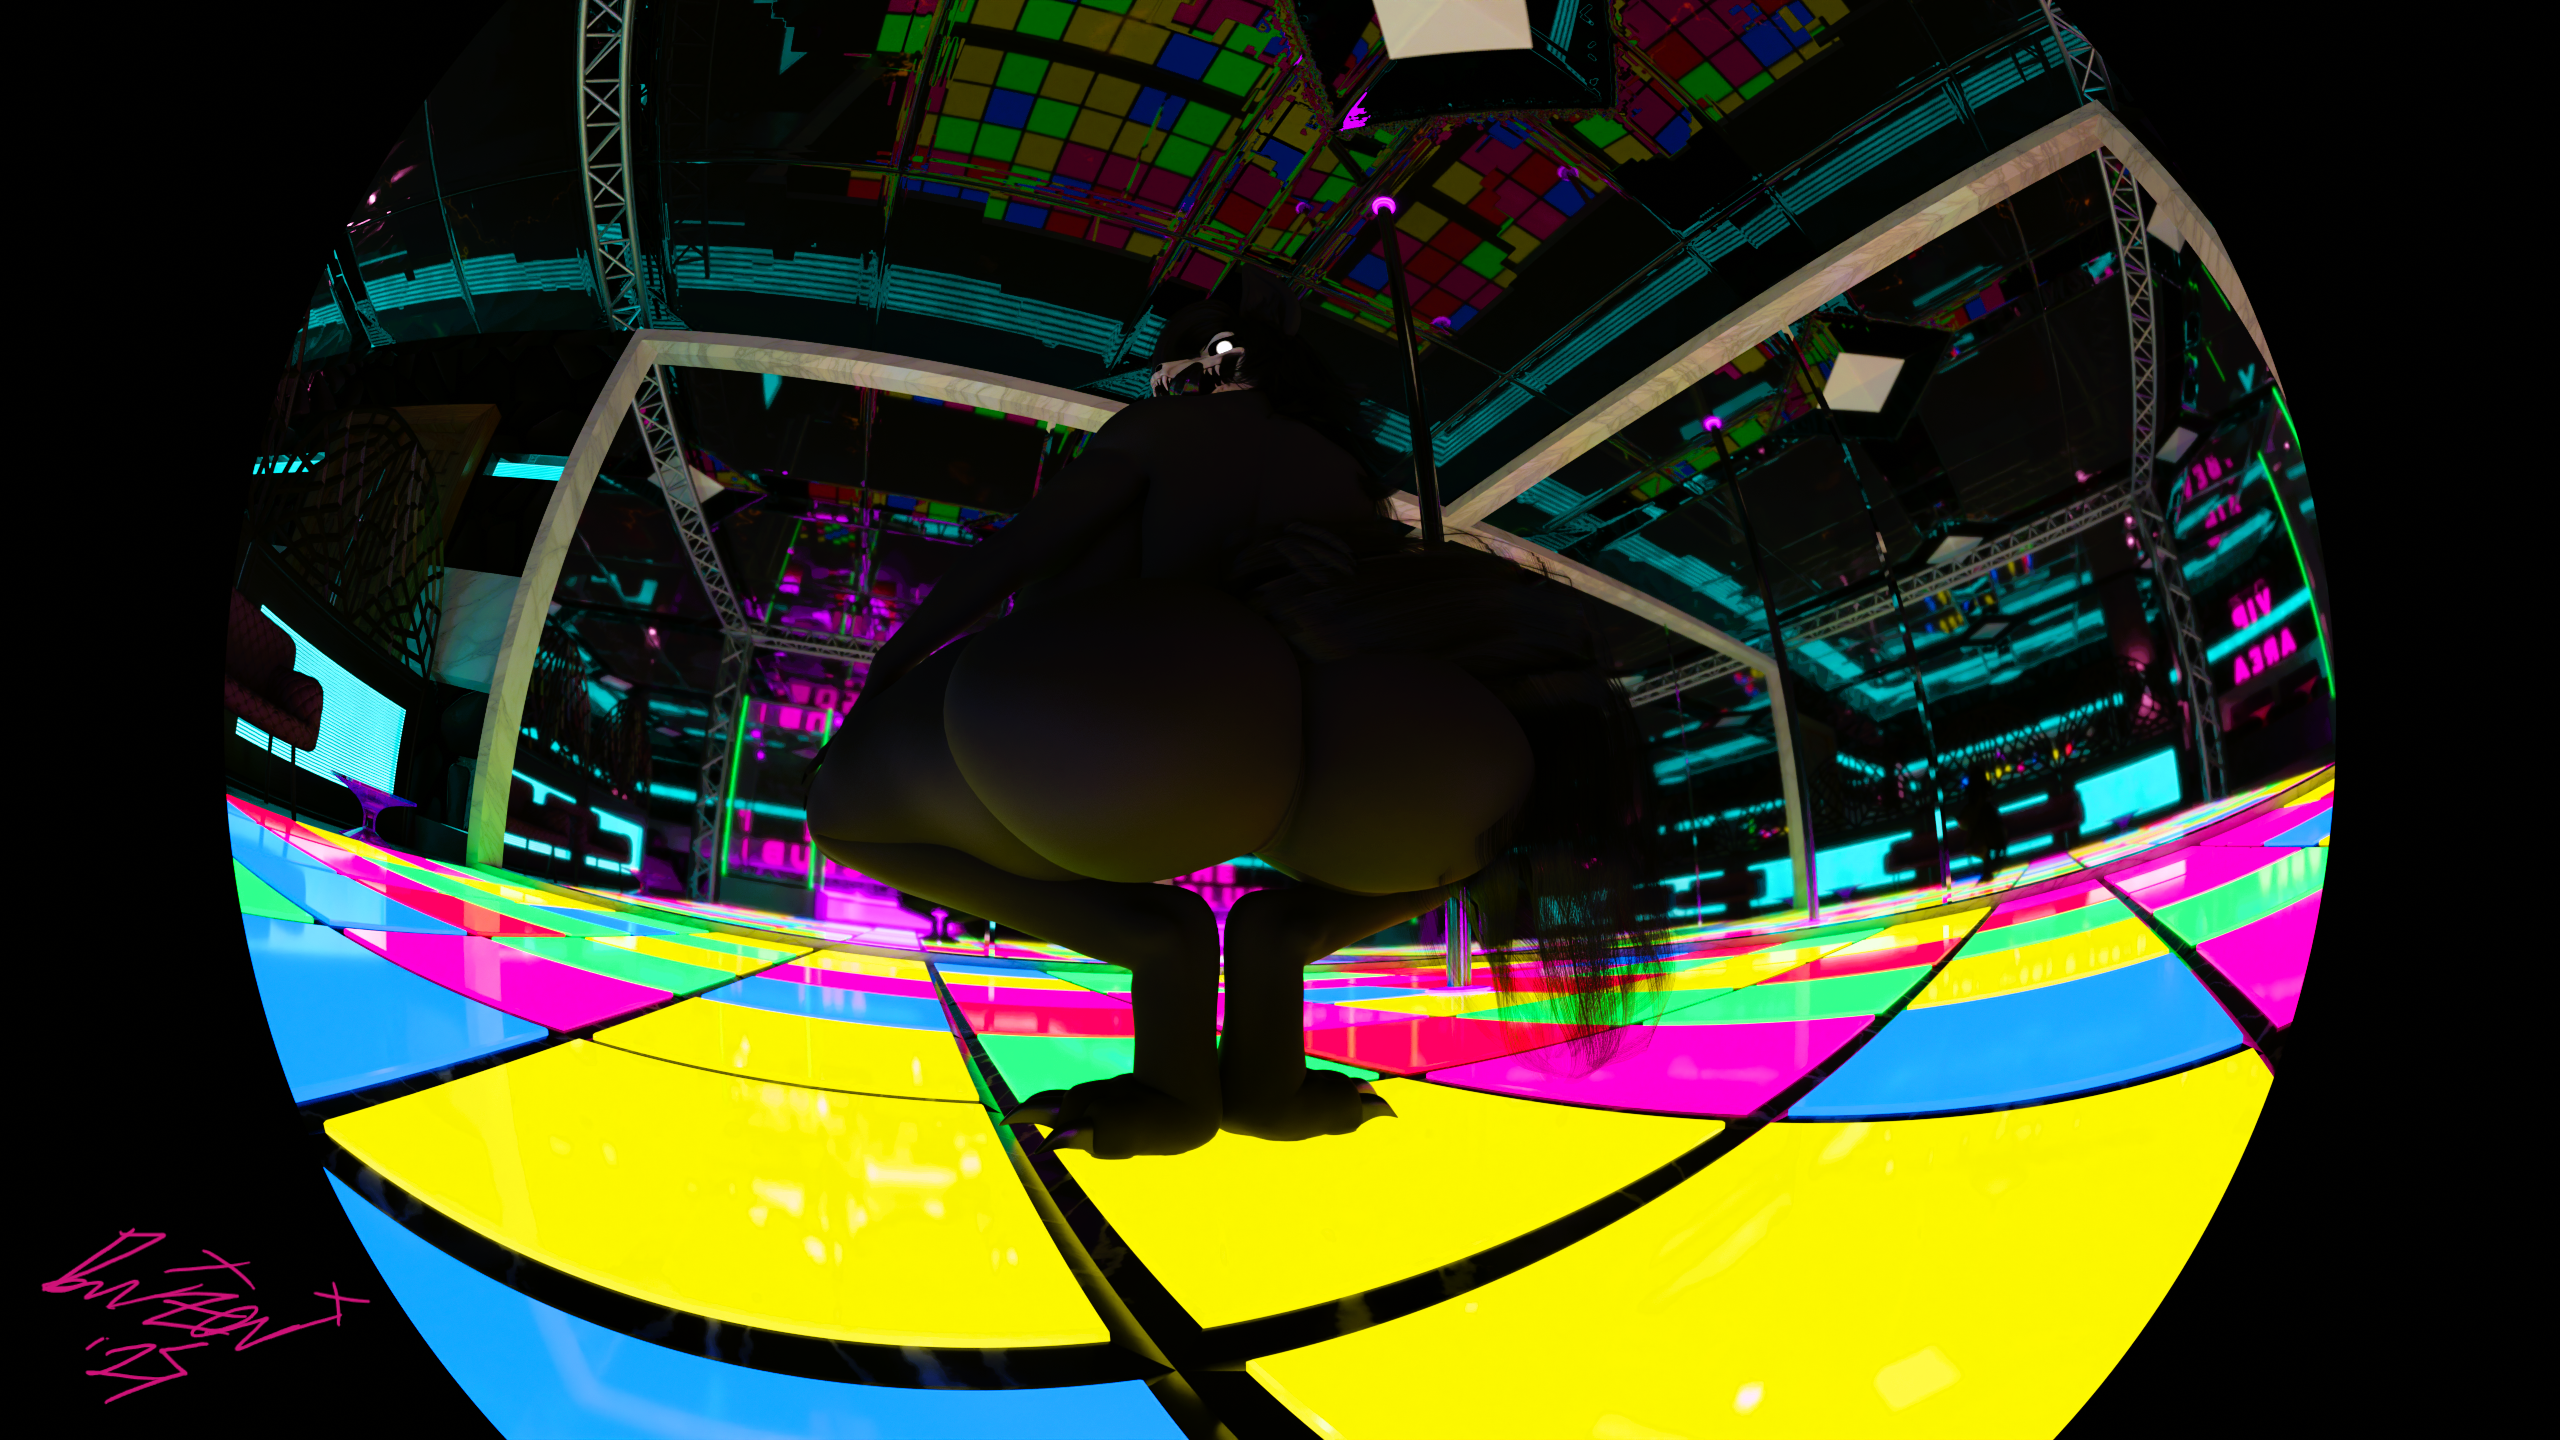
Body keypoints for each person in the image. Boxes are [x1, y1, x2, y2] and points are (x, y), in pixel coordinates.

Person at [802, 266, 1668, 1158]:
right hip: (1388, 758)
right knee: (1488, 828)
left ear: (1217, 363)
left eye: (1177, 359)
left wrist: (893, 663)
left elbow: (1018, 552)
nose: (1162, 376)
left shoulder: (1164, 428)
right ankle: (1277, 1017)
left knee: (841, 813)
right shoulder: (1342, 470)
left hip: (1130, 722)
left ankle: (1155, 955)